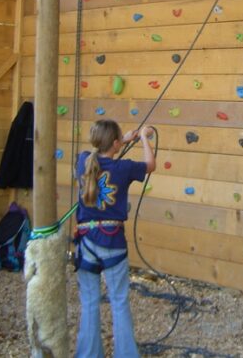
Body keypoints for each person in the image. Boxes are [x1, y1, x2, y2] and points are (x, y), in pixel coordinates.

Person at [74, 120, 156, 358]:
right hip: (111, 240)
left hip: (86, 239)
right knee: (118, 301)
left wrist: (125, 139)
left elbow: (100, 153)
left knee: (89, 302)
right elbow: (150, 165)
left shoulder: (84, 161)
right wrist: (142, 138)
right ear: (116, 143)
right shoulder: (124, 168)